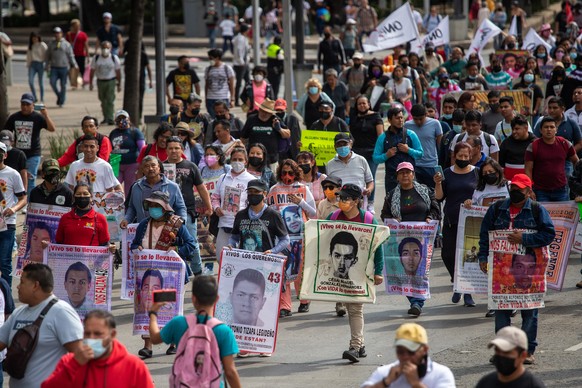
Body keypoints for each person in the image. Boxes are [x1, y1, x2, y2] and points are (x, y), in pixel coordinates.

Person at [478, 173, 554, 365]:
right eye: (512, 189)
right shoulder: (496, 209)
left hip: (530, 270)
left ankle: (527, 351)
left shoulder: (537, 210)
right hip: (502, 273)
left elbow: (549, 234)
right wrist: (482, 256)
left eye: (519, 190)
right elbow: (485, 234)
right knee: (501, 310)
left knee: (530, 312)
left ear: (528, 191)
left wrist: (525, 239)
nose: (514, 192)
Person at [130, 191, 196, 358]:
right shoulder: (144, 224)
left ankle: (173, 342)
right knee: (147, 308)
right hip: (148, 275)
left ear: (165, 208)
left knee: (168, 307)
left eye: (157, 206)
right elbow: (135, 244)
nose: (153, 209)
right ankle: (148, 345)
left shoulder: (177, 225)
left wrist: (176, 250)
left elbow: (191, 245)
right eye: (151, 205)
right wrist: (136, 248)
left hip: (170, 275)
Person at [148, 275, 241, 388]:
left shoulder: (178, 323)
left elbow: (154, 338)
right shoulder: (224, 331)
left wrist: (153, 313)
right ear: (216, 299)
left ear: (193, 298)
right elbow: (230, 372)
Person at [325, 183, 383, 363]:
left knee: (355, 308)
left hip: (361, 272)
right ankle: (361, 345)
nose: (341, 201)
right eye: (340, 198)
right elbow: (322, 241)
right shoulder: (333, 217)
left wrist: (378, 271)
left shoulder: (368, 220)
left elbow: (377, 247)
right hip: (338, 276)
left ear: (356, 201)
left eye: (345, 198)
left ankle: (355, 346)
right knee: (350, 308)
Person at [0, 263, 83, 388]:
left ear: (35, 285)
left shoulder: (61, 312)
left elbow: (81, 355)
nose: (18, 287)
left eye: (22, 282)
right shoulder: (18, 313)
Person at [381, 162, 440, 316]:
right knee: (407, 272)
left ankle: (417, 302)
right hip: (402, 240)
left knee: (421, 271)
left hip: (423, 238)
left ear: (413, 175)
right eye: (402, 173)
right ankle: (414, 301)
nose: (405, 175)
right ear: (397, 177)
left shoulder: (425, 191)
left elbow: (436, 209)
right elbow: (384, 215)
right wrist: (392, 221)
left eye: (408, 172)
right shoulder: (392, 195)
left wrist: (430, 217)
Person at [42, 309, 154, 388]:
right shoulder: (69, 362)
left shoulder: (134, 366)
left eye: (97, 334)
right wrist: (74, 365)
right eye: (87, 333)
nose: (91, 338)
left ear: (112, 334)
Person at [267, 160, 316, 315]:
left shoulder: (303, 188)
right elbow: (269, 211)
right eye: (284, 173)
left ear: (296, 173)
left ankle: (304, 300)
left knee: (300, 270)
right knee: (284, 270)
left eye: (290, 173)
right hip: (282, 237)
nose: (287, 176)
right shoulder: (274, 189)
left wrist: (301, 202)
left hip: (300, 236)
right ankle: (285, 306)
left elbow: (313, 212)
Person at [435, 142, 478, 307]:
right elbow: (439, 197)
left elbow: (482, 194)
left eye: (466, 157)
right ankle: (456, 281)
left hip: (471, 221)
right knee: (448, 255)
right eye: (460, 156)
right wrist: (438, 183)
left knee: (468, 257)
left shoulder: (477, 173)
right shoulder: (447, 173)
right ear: (454, 156)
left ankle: (467, 292)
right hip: (452, 220)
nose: (463, 159)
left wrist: (472, 201)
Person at [165, 136, 212, 274]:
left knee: (191, 242)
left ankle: (197, 271)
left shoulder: (191, 166)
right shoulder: (160, 166)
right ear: (166, 150)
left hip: (188, 211)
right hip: (166, 212)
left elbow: (202, 188)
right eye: (171, 148)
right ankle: (174, 271)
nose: (174, 151)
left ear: (181, 150)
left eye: (176, 148)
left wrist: (209, 207)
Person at [361, 323, 456, 388]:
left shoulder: (440, 374)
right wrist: (386, 382)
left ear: (425, 349)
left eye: (411, 352)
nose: (405, 357)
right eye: (400, 352)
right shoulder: (384, 372)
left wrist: (416, 383)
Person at [5, 92, 56, 195]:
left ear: (33, 105)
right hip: (18, 153)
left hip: (33, 154)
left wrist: (46, 115)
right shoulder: (14, 117)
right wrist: (11, 144)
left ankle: (29, 203)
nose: (25, 107)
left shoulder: (37, 117)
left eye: (28, 104)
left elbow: (52, 129)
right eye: (23, 104)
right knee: (16, 178)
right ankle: (19, 200)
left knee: (30, 179)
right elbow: (6, 132)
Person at [210, 147, 255, 260]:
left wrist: (244, 213)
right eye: (234, 159)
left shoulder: (251, 180)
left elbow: (255, 202)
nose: (237, 162)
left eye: (240, 159)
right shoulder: (223, 178)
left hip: (243, 226)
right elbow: (215, 197)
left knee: (240, 259)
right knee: (221, 257)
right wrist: (216, 208)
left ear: (246, 161)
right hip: (224, 224)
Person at [122, 155, 187, 228]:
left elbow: (180, 207)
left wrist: (181, 221)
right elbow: (132, 208)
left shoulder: (172, 186)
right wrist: (126, 220)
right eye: (146, 166)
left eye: (153, 165)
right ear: (142, 170)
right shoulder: (136, 187)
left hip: (166, 230)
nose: (150, 169)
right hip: (143, 229)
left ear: (159, 167)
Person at [525, 116, 579, 201]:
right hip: (540, 191)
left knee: (562, 214)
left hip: (561, 190)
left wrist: (577, 183)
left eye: (552, 127)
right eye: (546, 127)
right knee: (542, 214)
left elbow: (577, 163)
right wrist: (529, 189)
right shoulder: (533, 146)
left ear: (556, 130)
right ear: (540, 130)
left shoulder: (565, 144)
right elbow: (528, 170)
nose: (549, 129)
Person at [373, 107, 424, 193]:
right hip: (392, 178)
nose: (400, 120)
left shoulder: (411, 134)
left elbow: (420, 154)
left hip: (409, 176)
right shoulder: (383, 137)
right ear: (389, 120)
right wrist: (386, 155)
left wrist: (409, 150)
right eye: (397, 118)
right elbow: (375, 158)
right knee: (392, 204)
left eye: (401, 117)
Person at [476, 326, 546, 388]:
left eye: (506, 352)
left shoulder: (534, 385)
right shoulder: (486, 383)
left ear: (523, 356)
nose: (501, 356)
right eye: (497, 351)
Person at [54, 183, 113, 249]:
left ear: (91, 197)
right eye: (78, 194)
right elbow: (58, 243)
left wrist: (110, 248)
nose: (82, 196)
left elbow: (105, 244)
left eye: (85, 194)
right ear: (74, 197)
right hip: (68, 258)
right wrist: (47, 247)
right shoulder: (65, 218)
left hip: (92, 259)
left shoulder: (100, 218)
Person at [0, 142, 27, 286]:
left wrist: (14, 209)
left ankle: (6, 297)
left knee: (4, 262)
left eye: (0, 152)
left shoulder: (12, 174)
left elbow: (23, 198)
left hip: (7, 224)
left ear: (5, 155)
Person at [240, 99, 289, 169]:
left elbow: (287, 134)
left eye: (267, 112)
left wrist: (279, 129)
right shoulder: (251, 119)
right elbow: (243, 138)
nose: (264, 114)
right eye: (263, 111)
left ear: (271, 113)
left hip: (272, 159)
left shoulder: (275, 119)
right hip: (254, 159)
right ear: (259, 109)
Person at [327, 132, 374, 205]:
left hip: (358, 202)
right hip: (338, 204)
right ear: (335, 147)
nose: (342, 147)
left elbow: (370, 181)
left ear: (350, 144)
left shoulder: (361, 160)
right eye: (339, 145)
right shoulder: (330, 165)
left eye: (345, 144)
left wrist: (369, 190)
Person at [405, 104, 443, 189]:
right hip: (414, 165)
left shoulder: (435, 124)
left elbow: (440, 145)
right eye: (415, 119)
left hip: (431, 165)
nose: (418, 122)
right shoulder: (407, 125)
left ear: (426, 115)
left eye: (421, 119)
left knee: (433, 193)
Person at [109, 110, 145, 193]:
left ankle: (128, 205)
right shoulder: (113, 133)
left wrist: (142, 164)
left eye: (123, 118)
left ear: (128, 119)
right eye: (119, 118)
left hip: (131, 164)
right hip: (116, 164)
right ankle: (116, 205)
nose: (121, 120)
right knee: (114, 187)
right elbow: (110, 148)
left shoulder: (135, 132)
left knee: (130, 188)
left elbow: (142, 149)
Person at [89, 41, 121, 125]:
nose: (105, 49)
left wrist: (119, 84)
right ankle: (105, 117)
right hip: (100, 81)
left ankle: (110, 118)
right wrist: (90, 83)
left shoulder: (114, 58)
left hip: (111, 81)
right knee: (103, 100)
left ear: (110, 49)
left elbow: (118, 72)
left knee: (110, 100)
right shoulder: (96, 58)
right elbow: (92, 71)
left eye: (107, 48)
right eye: (103, 47)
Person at [46, 26, 78, 107]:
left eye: (58, 33)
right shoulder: (51, 44)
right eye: (55, 33)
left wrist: (74, 64)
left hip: (64, 67)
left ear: (61, 34)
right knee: (52, 82)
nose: (57, 35)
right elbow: (47, 56)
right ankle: (59, 95)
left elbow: (71, 55)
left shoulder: (66, 44)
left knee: (63, 85)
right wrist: (46, 65)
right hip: (54, 67)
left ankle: (62, 101)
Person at [499, 114, 536, 180]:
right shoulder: (506, 143)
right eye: (512, 129)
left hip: (530, 183)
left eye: (517, 129)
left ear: (526, 128)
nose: (514, 132)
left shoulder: (535, 143)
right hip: (510, 183)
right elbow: (500, 165)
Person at [205, 48, 236, 118]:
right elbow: (206, 84)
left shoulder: (227, 68)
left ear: (218, 58)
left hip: (223, 98)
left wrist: (232, 99)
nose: (210, 60)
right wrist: (206, 99)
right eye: (209, 58)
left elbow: (231, 85)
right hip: (210, 99)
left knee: (223, 118)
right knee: (212, 119)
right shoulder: (208, 69)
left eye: (211, 58)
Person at [66, 19, 89, 89]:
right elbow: (66, 45)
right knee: (73, 69)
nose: (77, 27)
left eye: (78, 26)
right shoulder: (69, 34)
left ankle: (83, 82)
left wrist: (87, 56)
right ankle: (74, 83)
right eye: (75, 26)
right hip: (72, 55)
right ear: (72, 26)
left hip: (81, 54)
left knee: (82, 69)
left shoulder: (83, 34)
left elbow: (86, 45)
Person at [26, 32, 47, 102]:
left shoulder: (42, 45)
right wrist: (28, 65)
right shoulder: (31, 46)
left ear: (38, 38)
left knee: (40, 82)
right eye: (33, 38)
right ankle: (34, 97)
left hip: (40, 64)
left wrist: (46, 64)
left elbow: (46, 55)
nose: (34, 39)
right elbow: (28, 56)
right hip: (32, 64)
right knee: (30, 81)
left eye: (36, 37)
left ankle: (42, 98)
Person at [232, 24, 250, 106]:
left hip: (244, 63)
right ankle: (236, 100)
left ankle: (245, 98)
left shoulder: (241, 38)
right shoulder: (240, 39)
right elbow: (239, 50)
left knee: (248, 82)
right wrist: (241, 61)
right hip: (240, 64)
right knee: (239, 83)